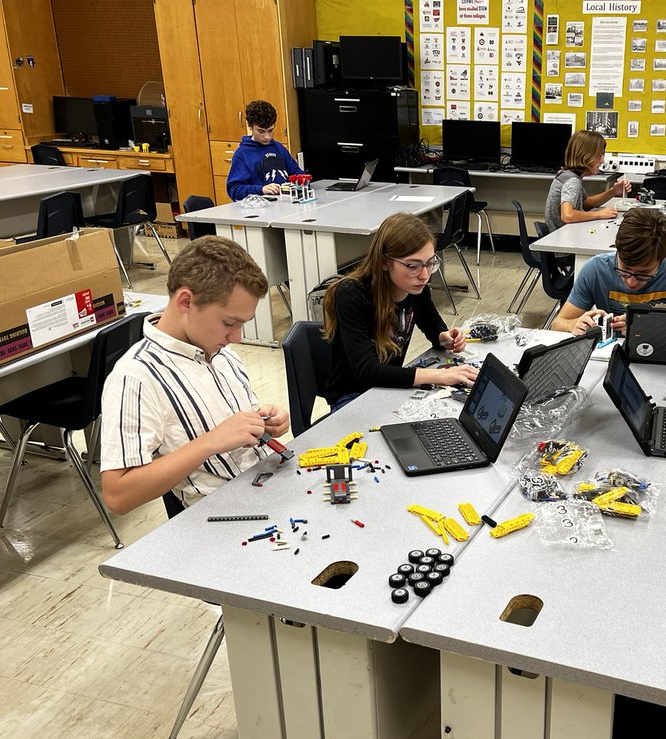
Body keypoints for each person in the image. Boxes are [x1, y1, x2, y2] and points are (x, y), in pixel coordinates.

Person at [100, 236, 291, 515]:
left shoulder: (220, 352)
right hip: (224, 516)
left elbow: (237, 428)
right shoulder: (136, 378)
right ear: (186, 302)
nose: (236, 337)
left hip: (268, 486)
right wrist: (212, 441)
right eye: (229, 323)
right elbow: (118, 496)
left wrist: (262, 422)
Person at [321, 212, 478, 409]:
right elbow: (367, 372)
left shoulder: (415, 289)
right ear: (385, 262)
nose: (424, 275)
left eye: (430, 263)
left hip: (388, 387)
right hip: (353, 396)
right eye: (413, 266)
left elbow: (433, 326)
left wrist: (445, 337)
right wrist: (440, 375)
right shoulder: (352, 294)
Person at [550, 207, 666, 336]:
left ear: (663, 259)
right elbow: (557, 324)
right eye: (624, 270)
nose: (631, 282)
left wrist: (649, 329)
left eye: (643, 274)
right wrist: (573, 324)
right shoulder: (596, 269)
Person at [544, 129, 630, 232]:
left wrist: (614, 191)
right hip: (561, 238)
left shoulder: (568, 174)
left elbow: (585, 203)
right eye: (600, 154)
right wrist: (599, 214)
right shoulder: (572, 180)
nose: (602, 160)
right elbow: (567, 216)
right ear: (586, 155)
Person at [226, 99, 304, 201]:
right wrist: (261, 189)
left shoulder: (279, 148)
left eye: (270, 130)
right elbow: (234, 189)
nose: (267, 137)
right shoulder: (242, 154)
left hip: (285, 205)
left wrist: (301, 180)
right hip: (260, 209)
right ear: (250, 126)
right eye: (261, 131)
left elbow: (297, 173)